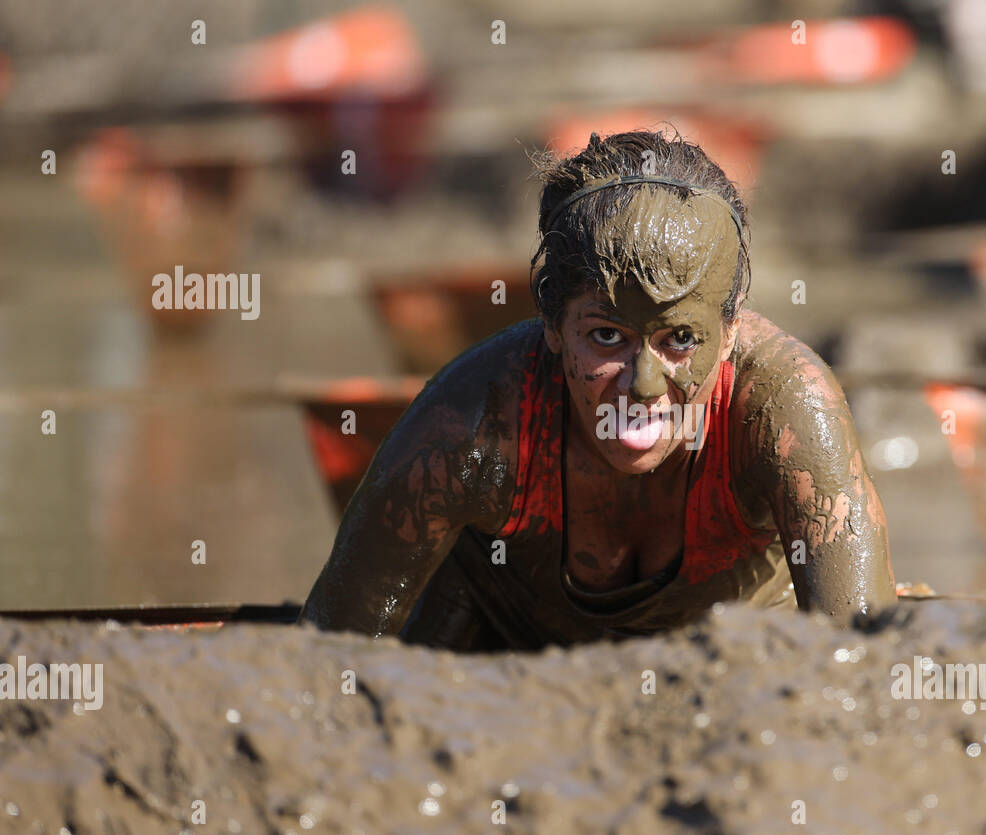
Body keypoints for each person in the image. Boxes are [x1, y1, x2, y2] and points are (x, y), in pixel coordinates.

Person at [300, 129, 895, 650]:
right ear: (553, 326)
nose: (644, 385)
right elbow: (328, 658)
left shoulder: (787, 410)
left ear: (732, 327)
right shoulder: (475, 420)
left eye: (681, 338)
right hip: (504, 668)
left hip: (740, 676)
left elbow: (863, 660)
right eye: (607, 336)